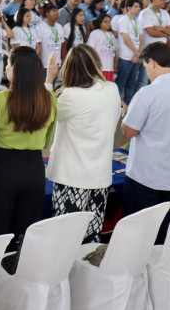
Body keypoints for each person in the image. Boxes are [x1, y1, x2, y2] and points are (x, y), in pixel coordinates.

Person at [0, 47, 57, 257]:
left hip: (3, 170)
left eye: (9, 64)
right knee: (24, 234)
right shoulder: (49, 99)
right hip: (34, 169)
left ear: (17, 70)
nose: (6, 67)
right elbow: (47, 141)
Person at [121, 42, 170, 244]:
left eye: (145, 66)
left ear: (152, 62)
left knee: (136, 237)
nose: (146, 71)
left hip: (145, 176)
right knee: (161, 237)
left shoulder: (147, 93)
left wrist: (124, 115)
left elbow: (129, 131)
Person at [45, 44, 121, 243]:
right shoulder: (112, 89)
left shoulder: (71, 96)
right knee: (90, 240)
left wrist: (49, 81)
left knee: (64, 239)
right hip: (100, 177)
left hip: (72, 178)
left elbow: (45, 114)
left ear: (69, 68)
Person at [87, 13, 117, 81]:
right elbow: (90, 50)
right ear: (100, 23)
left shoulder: (111, 35)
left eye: (109, 21)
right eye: (105, 22)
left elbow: (114, 51)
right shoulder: (95, 33)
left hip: (109, 67)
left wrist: (115, 64)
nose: (108, 23)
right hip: (99, 67)